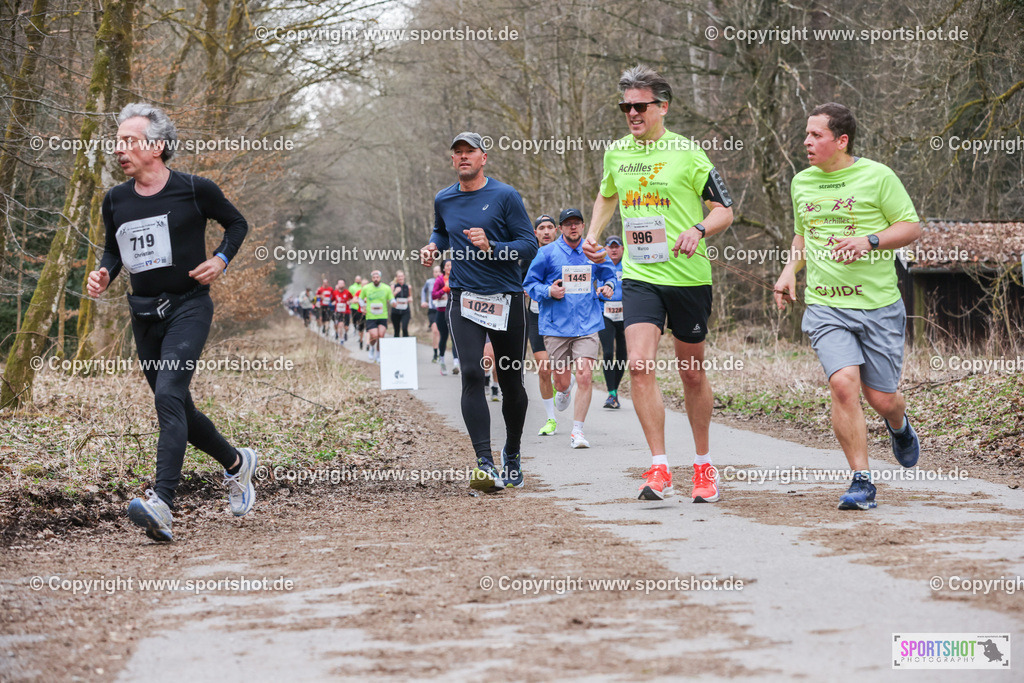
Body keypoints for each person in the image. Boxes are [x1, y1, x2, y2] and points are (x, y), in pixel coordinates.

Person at [85, 102, 257, 542]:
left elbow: (236, 224)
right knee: (178, 403)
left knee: (168, 395)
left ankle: (161, 502)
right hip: (144, 315)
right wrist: (104, 272)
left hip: (189, 307)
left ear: (157, 146)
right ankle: (237, 463)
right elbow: (113, 250)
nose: (120, 149)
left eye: (130, 140)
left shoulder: (195, 189)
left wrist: (220, 259)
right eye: (118, 141)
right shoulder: (115, 199)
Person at [582, 64, 734, 502]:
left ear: (662, 107)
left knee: (691, 373)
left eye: (640, 106)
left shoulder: (689, 153)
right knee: (641, 364)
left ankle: (704, 466)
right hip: (640, 275)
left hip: (687, 277)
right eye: (625, 106)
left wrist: (700, 230)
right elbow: (608, 193)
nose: (632, 113)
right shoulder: (617, 154)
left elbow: (723, 209)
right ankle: (659, 467)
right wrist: (593, 235)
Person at [773, 102, 922, 511]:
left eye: (816, 135)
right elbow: (802, 235)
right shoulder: (801, 183)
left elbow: (911, 227)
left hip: (878, 305)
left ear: (841, 140)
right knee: (843, 385)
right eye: (806, 134)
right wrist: (789, 272)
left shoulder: (877, 176)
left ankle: (899, 425)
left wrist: (869, 241)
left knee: (882, 398)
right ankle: (861, 480)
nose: (806, 142)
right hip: (825, 306)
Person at [420, 131, 537, 491]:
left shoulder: (505, 196)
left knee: (511, 380)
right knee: (471, 372)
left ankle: (512, 452)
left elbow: (529, 245)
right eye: (458, 152)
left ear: (483, 158)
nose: (464, 157)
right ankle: (484, 462)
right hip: (464, 298)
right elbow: (442, 232)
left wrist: (493, 246)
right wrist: (432, 247)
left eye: (470, 151)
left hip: (506, 297)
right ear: (452, 160)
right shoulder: (444, 198)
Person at [525, 208, 616, 448]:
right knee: (562, 382)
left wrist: (608, 286)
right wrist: (548, 291)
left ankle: (578, 431)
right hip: (556, 327)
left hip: (588, 323)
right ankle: (563, 389)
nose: (573, 227)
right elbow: (530, 283)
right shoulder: (547, 253)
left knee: (585, 375)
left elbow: (610, 276)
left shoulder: (595, 251)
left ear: (583, 226)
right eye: (568, 224)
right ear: (560, 228)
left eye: (577, 223)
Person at [525, 214, 560, 435]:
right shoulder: (528, 254)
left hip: (561, 317)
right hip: (535, 315)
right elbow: (521, 282)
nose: (546, 231)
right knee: (544, 369)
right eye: (541, 228)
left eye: (549, 227)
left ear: (556, 230)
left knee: (560, 372)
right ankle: (551, 419)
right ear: (535, 232)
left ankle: (566, 383)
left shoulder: (566, 252)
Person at [598, 235, 627, 408]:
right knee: (608, 352)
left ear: (622, 249)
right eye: (611, 246)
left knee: (623, 355)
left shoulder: (630, 265)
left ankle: (614, 391)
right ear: (606, 249)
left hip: (625, 314)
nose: (614, 249)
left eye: (617, 246)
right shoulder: (601, 264)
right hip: (605, 312)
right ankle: (611, 393)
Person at [432, 260, 460, 375]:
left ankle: (455, 364)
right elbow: (434, 295)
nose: (449, 267)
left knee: (455, 337)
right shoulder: (439, 280)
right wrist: (444, 289)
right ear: (443, 268)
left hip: (454, 311)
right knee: (443, 337)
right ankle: (442, 361)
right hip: (441, 312)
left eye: (451, 265)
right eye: (447, 266)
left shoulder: (457, 278)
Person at [361, 269, 394, 362]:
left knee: (381, 335)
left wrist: (394, 302)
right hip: (371, 316)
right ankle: (372, 348)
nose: (375, 279)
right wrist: (362, 307)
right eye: (374, 277)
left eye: (377, 277)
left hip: (382, 315)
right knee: (374, 336)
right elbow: (360, 299)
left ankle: (378, 354)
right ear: (372, 278)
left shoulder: (386, 288)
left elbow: (391, 298)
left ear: (380, 278)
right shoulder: (366, 288)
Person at [422, 264, 442, 362]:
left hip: (443, 309)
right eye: (435, 272)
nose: (437, 273)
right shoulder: (429, 282)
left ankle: (442, 354)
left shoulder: (445, 281)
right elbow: (423, 291)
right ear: (433, 273)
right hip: (432, 310)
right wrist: (423, 301)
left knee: (442, 332)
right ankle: (435, 354)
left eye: (439, 271)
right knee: (435, 331)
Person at [390, 269, 412, 337]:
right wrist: (395, 292)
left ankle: (407, 345)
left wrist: (409, 299)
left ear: (404, 277)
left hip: (405, 311)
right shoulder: (393, 286)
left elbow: (410, 297)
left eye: (401, 276)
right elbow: (389, 298)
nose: (400, 278)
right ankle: (396, 346)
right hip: (395, 311)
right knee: (397, 330)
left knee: (404, 328)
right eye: (399, 276)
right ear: (396, 277)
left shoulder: (408, 287)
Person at [348, 276, 365, 349]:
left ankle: (367, 342)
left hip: (367, 311)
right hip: (355, 307)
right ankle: (356, 329)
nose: (358, 280)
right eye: (357, 279)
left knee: (366, 326)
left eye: (359, 279)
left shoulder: (368, 290)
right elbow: (350, 296)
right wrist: (353, 301)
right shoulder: (352, 287)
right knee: (356, 321)